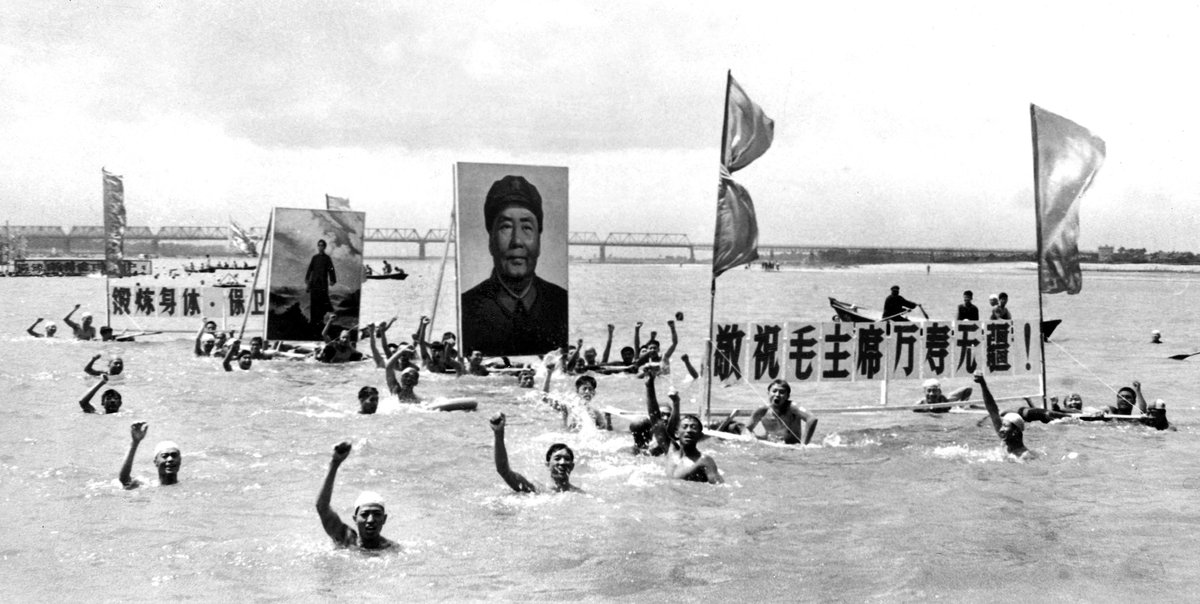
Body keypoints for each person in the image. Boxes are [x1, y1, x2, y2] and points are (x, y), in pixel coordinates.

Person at [461, 175, 568, 356]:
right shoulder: (467, 308)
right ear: (490, 239)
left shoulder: (561, 303)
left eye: (527, 228)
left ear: (539, 240)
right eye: (506, 227)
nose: (516, 241)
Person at [316, 441, 395, 550]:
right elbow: (322, 507)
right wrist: (335, 464)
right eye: (365, 514)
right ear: (355, 519)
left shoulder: (391, 549)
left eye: (377, 514)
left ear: (384, 518)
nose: (371, 520)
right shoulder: (346, 539)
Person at [489, 412, 579, 493]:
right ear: (547, 464)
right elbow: (504, 471)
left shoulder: (579, 494)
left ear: (572, 466)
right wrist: (498, 434)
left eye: (567, 459)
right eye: (557, 458)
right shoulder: (537, 490)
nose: (562, 462)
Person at [664, 388, 723, 484]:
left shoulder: (704, 461)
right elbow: (669, 430)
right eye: (685, 426)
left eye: (693, 427)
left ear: (700, 436)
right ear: (677, 433)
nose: (689, 430)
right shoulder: (670, 454)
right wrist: (676, 403)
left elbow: (721, 487)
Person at [975, 372, 1033, 460]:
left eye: (1005, 426)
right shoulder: (1006, 438)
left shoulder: (1025, 456)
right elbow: (992, 410)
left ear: (1015, 432)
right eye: (1002, 426)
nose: (1000, 429)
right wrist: (983, 384)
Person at [745, 379, 819, 445]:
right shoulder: (761, 410)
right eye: (774, 391)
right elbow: (747, 429)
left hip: (792, 448)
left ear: (787, 396)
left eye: (782, 392)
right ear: (768, 393)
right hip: (771, 446)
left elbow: (812, 418)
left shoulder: (792, 407)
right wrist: (752, 439)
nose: (777, 395)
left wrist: (804, 445)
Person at [628, 365, 677, 456]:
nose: (665, 418)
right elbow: (655, 416)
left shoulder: (676, 439)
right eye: (662, 415)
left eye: (668, 415)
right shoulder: (658, 444)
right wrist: (649, 385)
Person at [119, 422, 181, 488]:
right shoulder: (146, 485)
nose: (170, 459)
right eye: (164, 456)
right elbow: (124, 480)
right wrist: (135, 443)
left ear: (180, 460)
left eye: (174, 455)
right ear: (155, 462)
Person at [305, 239, 337, 336]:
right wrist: (307, 280)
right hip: (314, 284)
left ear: (325, 247)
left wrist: (332, 280)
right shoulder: (314, 258)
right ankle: (313, 321)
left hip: (323, 284)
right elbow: (310, 269)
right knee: (314, 302)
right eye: (319, 245)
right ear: (317, 247)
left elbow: (331, 269)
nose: (320, 247)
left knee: (322, 302)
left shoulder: (327, 258)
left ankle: (321, 321)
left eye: (322, 245)